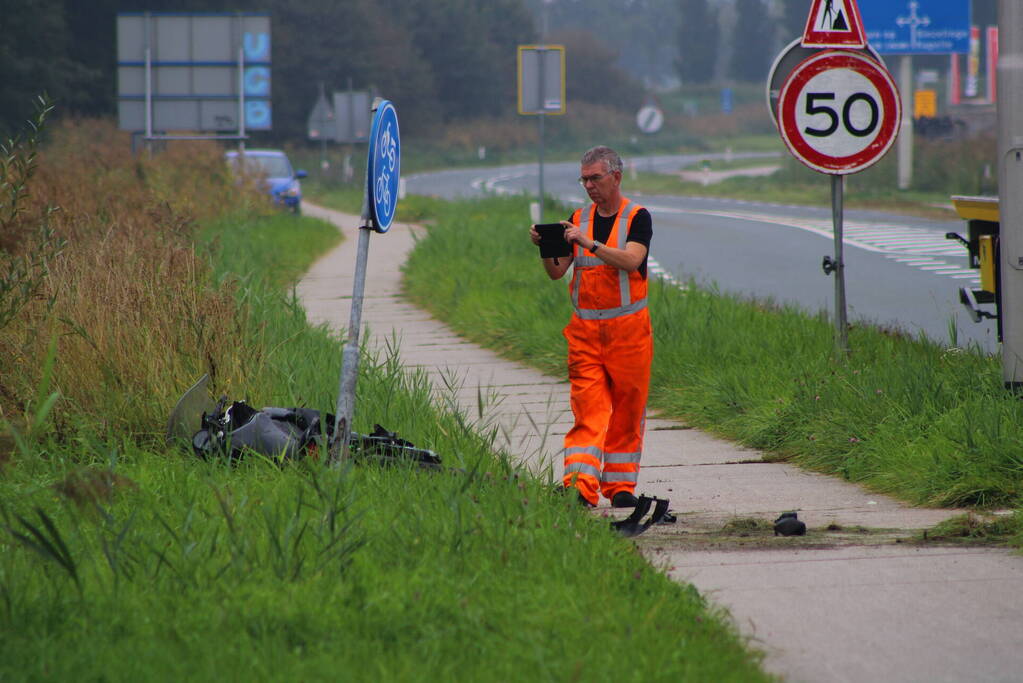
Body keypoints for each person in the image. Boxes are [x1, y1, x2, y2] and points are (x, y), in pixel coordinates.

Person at [529, 146, 653, 508]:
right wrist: (545, 247)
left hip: (629, 334)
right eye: (583, 179)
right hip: (584, 335)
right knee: (589, 410)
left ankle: (619, 487)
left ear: (616, 176)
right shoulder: (577, 218)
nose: (588, 186)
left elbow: (632, 260)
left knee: (628, 411)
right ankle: (579, 486)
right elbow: (556, 272)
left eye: (595, 178)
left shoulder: (637, 217)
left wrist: (591, 244)